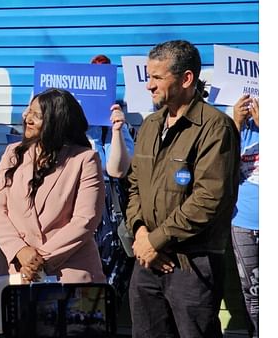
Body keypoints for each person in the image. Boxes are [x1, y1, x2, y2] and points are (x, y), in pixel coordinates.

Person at [126, 40, 240, 338]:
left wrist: (156, 240)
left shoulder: (215, 127)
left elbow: (208, 199)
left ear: (186, 79)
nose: (149, 86)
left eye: (157, 77)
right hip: (146, 261)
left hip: (192, 264)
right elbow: (134, 184)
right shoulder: (150, 125)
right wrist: (139, 233)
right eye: (148, 77)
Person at [0, 88, 106, 284]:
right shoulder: (13, 153)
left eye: (37, 115)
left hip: (69, 273)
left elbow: (85, 220)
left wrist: (40, 259)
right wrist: (19, 250)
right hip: (15, 271)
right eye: (28, 112)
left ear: (57, 121)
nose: (28, 118)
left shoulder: (85, 159)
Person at [86, 54, 136, 297]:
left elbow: (117, 170)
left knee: (109, 278)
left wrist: (116, 131)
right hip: (71, 204)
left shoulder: (114, 123)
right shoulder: (66, 122)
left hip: (106, 206)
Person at [230, 94, 259, 337]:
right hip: (243, 222)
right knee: (253, 295)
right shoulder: (244, 131)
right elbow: (221, 165)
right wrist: (236, 124)